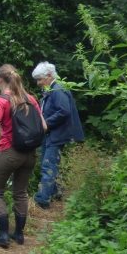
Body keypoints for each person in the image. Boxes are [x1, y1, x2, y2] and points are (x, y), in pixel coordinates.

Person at [0, 64, 46, 248]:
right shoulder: (30, 99)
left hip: (9, 152)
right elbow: (44, 126)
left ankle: (3, 236)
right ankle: (18, 234)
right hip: (30, 154)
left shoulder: (1, 101)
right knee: (20, 192)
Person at [31, 62, 84, 209]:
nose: (38, 83)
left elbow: (64, 111)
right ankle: (57, 192)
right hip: (52, 134)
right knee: (50, 164)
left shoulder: (58, 89)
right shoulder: (52, 89)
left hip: (56, 134)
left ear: (49, 76)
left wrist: (46, 124)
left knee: (48, 165)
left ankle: (42, 200)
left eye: (39, 79)